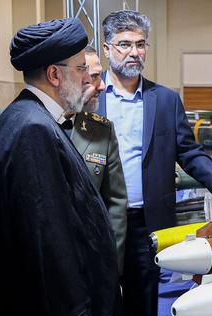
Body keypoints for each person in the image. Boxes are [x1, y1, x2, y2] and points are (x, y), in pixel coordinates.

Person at [98, 10, 212, 316]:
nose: (134, 52)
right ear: (107, 49)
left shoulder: (166, 100)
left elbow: (190, 152)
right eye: (124, 44)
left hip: (147, 227)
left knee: (143, 315)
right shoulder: (91, 99)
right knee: (102, 311)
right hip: (99, 224)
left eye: (140, 44)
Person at [0, 18, 124, 316]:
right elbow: (46, 229)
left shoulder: (29, 118)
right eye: (82, 68)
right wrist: (72, 314)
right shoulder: (33, 128)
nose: (90, 78)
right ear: (54, 75)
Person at [68, 45, 128, 275]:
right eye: (94, 77)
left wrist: (112, 272)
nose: (102, 86)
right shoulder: (25, 122)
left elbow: (115, 207)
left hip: (89, 264)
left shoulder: (101, 130)